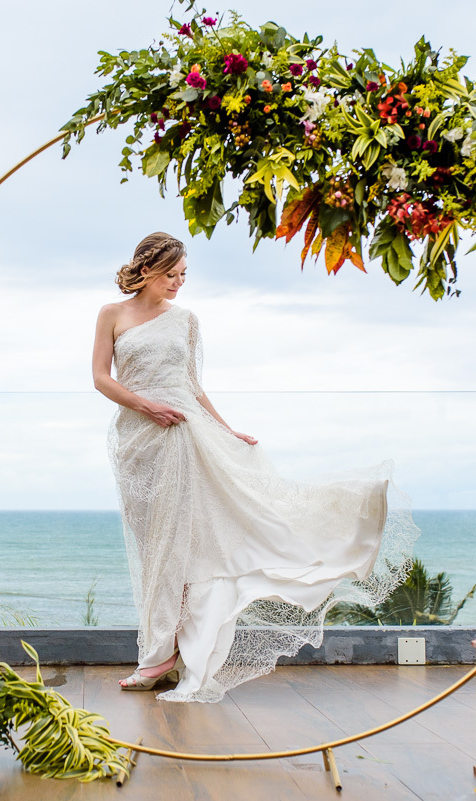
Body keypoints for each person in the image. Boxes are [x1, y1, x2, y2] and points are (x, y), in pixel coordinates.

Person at [92, 232, 419, 703]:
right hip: (137, 440)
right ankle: (167, 649)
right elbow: (102, 378)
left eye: (184, 275)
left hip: (184, 434)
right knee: (153, 545)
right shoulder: (112, 314)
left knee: (182, 543)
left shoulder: (185, 320)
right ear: (146, 270)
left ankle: (162, 657)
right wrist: (146, 407)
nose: (179, 284)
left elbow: (193, 387)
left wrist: (227, 430)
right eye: (171, 275)